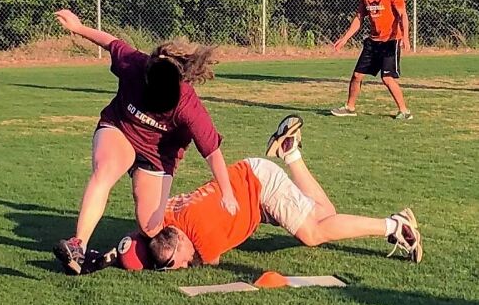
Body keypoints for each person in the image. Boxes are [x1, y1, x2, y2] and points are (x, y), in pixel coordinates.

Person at [52, 9, 238, 275]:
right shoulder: (135, 65)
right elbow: (111, 42)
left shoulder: (188, 105)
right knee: (106, 169)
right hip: (120, 129)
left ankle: (123, 251)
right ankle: (78, 245)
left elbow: (212, 151)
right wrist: (78, 28)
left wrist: (227, 193)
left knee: (150, 226)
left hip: (157, 155)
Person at [145, 115, 422, 271]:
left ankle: (394, 226)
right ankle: (289, 152)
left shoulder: (200, 237)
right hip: (251, 179)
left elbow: (210, 260)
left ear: (180, 242)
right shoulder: (166, 215)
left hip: (260, 186)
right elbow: (147, 228)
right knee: (326, 216)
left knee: (313, 234)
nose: (180, 267)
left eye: (175, 263)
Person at [330, 0, 413, 120]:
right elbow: (359, 18)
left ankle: (404, 111)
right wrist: (345, 38)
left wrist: (405, 37)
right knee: (357, 76)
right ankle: (349, 107)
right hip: (373, 42)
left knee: (387, 78)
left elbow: (403, 16)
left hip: (390, 41)